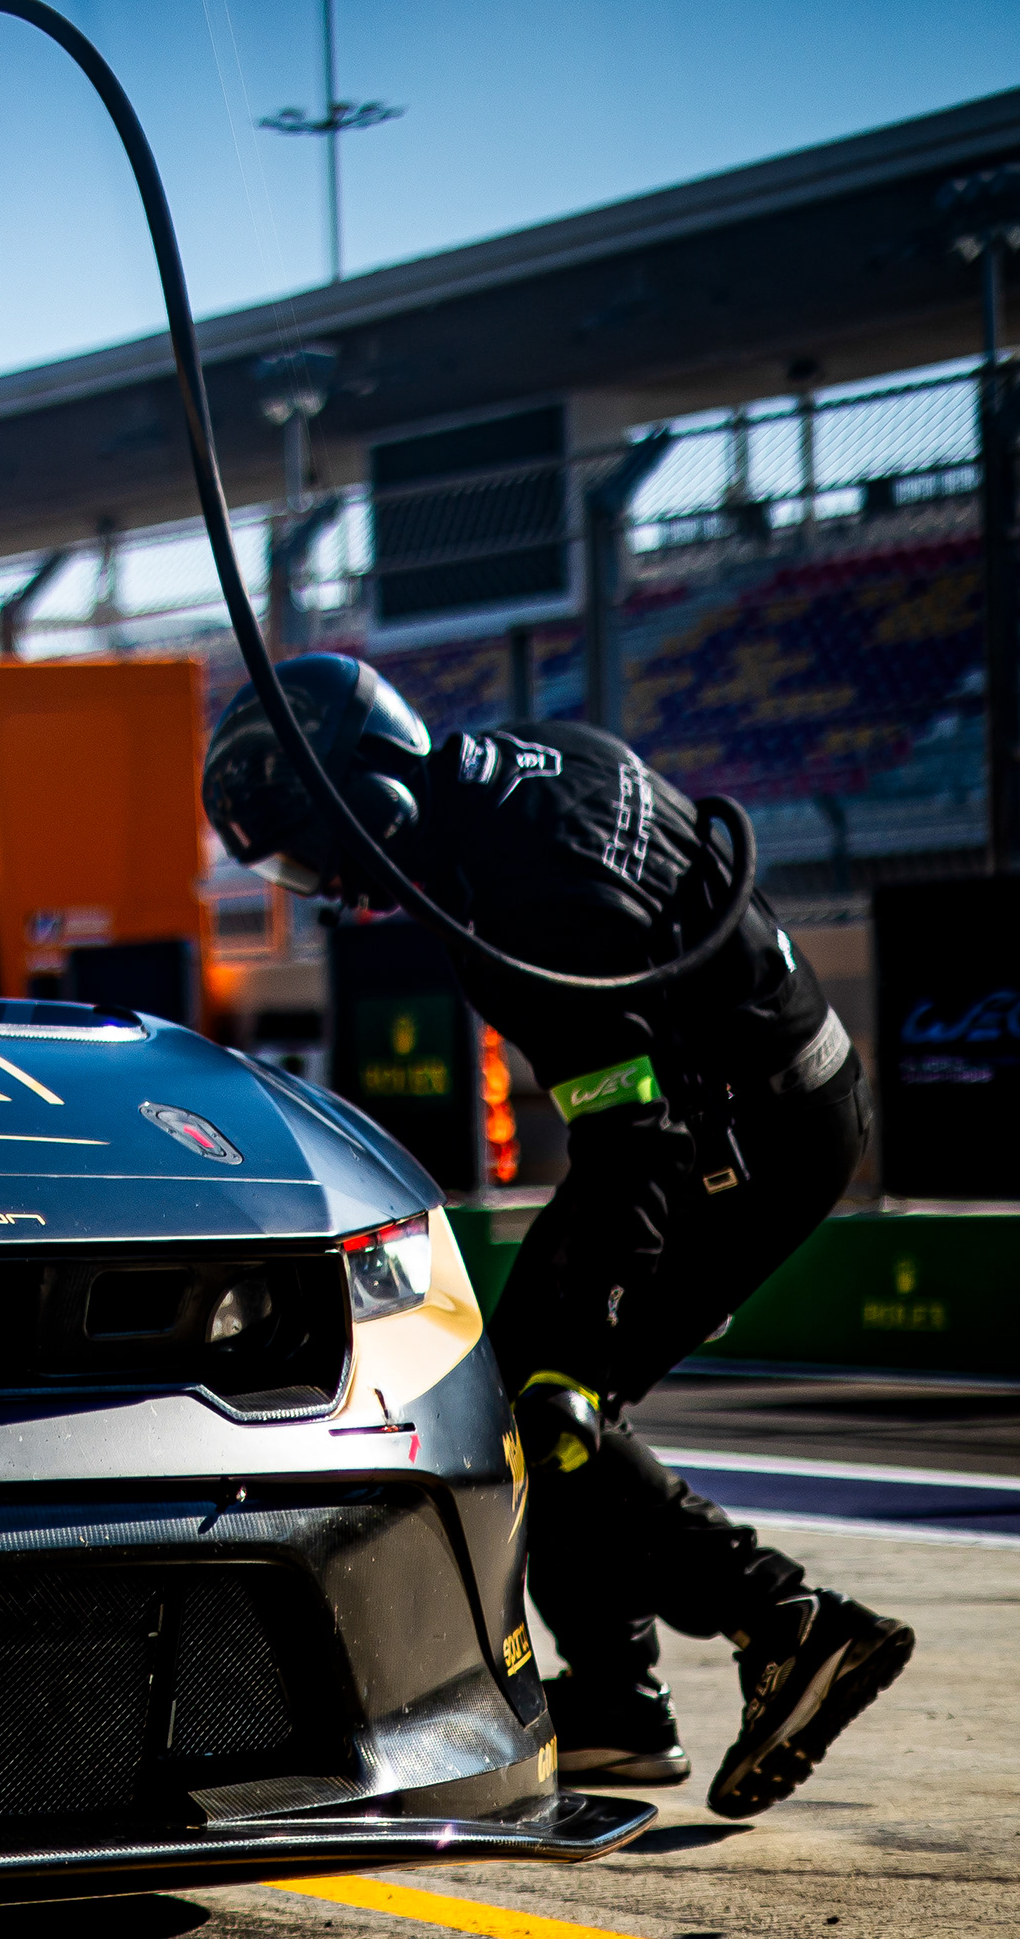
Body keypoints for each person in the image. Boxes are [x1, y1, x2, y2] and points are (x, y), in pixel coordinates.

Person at [203, 652, 910, 1818]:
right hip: (770, 1099)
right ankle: (620, 1708)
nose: (328, 892)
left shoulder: (519, 905)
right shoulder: (520, 771)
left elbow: (639, 1144)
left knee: (545, 1401)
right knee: (526, 1381)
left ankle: (788, 1620)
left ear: (363, 797)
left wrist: (582, 1348)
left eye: (307, 856)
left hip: (744, 1135)